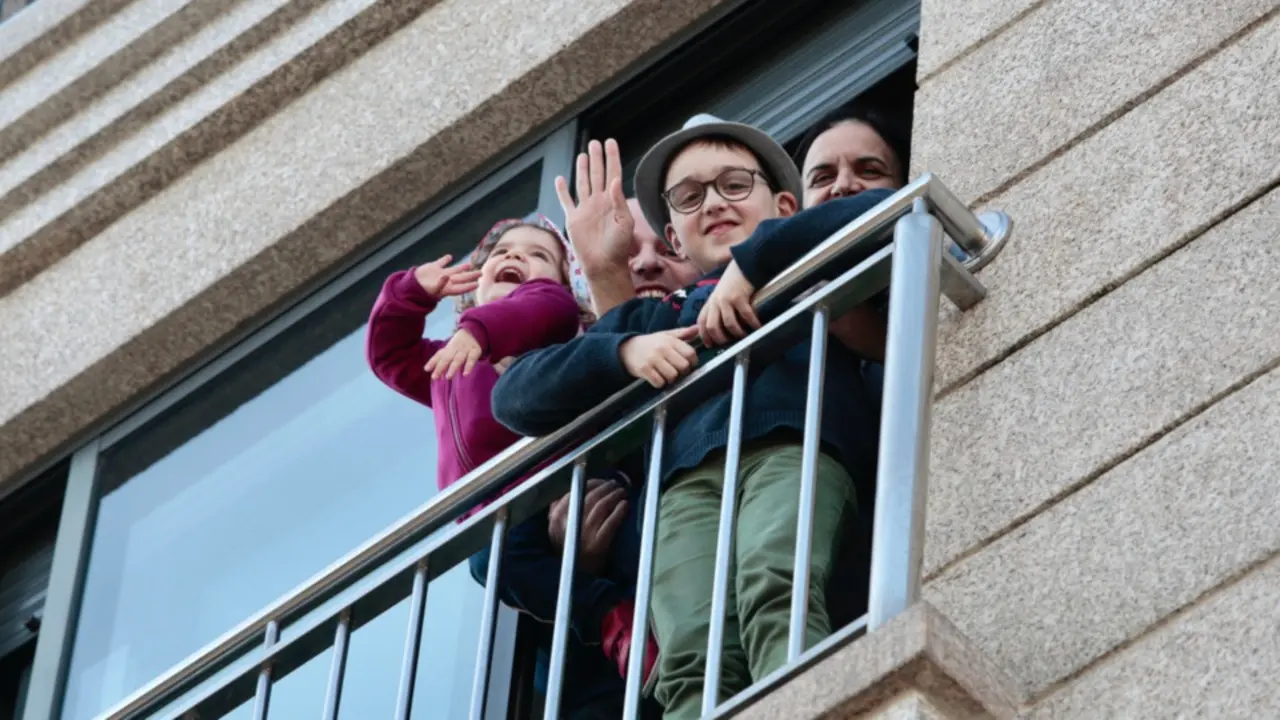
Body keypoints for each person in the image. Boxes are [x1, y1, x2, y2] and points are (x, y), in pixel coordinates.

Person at [492, 114, 893, 718]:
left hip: (794, 447)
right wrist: (624, 350)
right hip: (684, 492)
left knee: (775, 588)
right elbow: (515, 397)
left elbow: (876, 209)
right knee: (689, 653)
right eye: (688, 196)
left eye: (734, 184)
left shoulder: (814, 262)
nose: (713, 202)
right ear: (675, 239)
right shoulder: (665, 315)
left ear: (785, 205)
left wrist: (753, 264)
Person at [366, 217, 647, 720]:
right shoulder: (450, 364)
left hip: (569, 482)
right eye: (502, 252)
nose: (516, 257)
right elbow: (389, 355)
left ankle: (619, 622)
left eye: (540, 257)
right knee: (494, 566)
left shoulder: (554, 326)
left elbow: (543, 306)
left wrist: (480, 332)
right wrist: (410, 292)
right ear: (472, 285)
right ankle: (609, 618)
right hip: (505, 518)